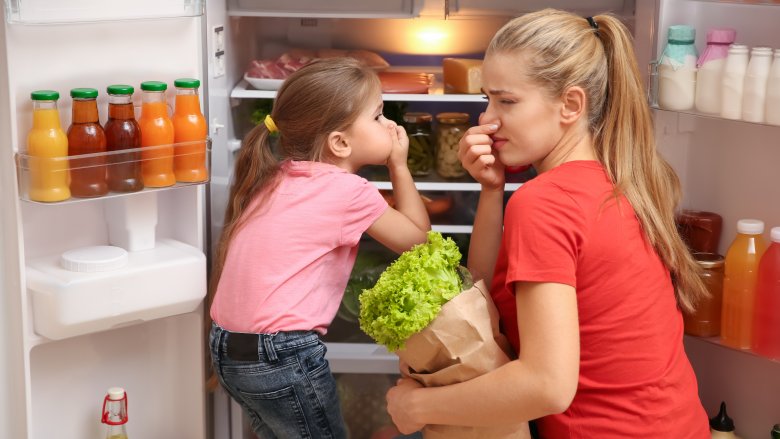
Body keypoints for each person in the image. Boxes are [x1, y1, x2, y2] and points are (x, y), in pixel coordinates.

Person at [386, 9, 711, 439]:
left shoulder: (546, 202)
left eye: (507, 101)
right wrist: (490, 191)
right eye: (487, 99)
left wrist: (418, 405)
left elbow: (547, 386)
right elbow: (489, 297)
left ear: (571, 105)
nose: (487, 118)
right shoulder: (622, 180)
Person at [209, 58, 430, 438]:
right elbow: (418, 241)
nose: (389, 125)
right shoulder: (347, 191)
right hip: (282, 354)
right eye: (378, 117)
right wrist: (399, 165)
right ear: (340, 143)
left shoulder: (273, 175)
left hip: (228, 350)